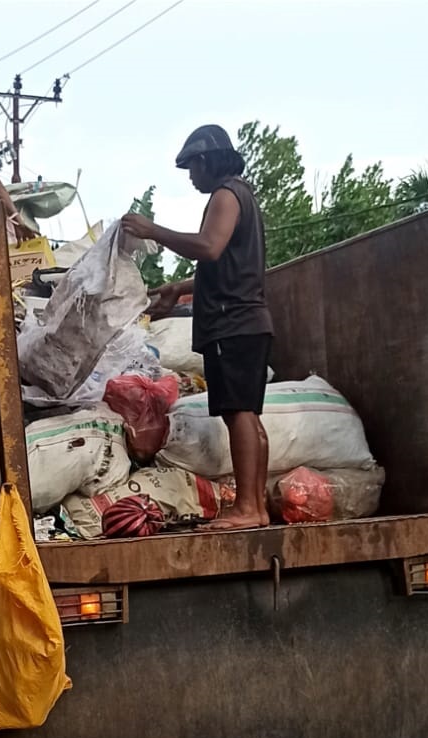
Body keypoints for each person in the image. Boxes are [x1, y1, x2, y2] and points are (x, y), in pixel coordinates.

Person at [121, 124, 273, 531]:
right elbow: (226, 264)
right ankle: (256, 508)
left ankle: (246, 509)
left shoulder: (225, 195)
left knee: (239, 414)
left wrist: (154, 231)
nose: (191, 178)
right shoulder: (244, 194)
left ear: (206, 161)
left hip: (232, 324)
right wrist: (181, 286)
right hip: (248, 322)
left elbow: (209, 247)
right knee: (248, 416)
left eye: (192, 169)